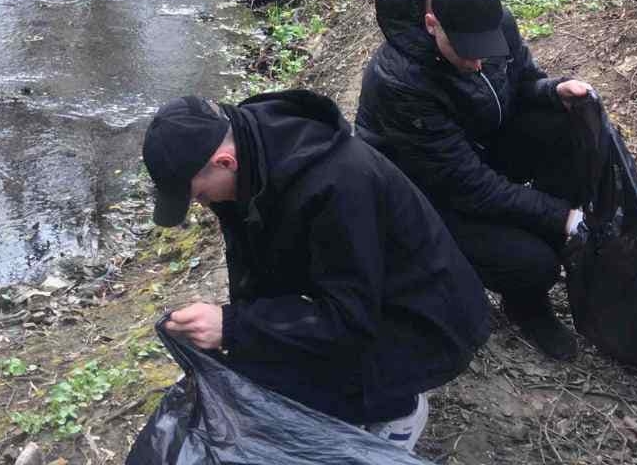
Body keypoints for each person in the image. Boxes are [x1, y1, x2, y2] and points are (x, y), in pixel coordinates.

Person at [142, 89, 490, 449]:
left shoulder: (338, 184)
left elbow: (349, 320)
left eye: (200, 196)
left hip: (426, 319)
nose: (203, 205)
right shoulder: (250, 154)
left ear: (224, 162)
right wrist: (238, 332)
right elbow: (252, 263)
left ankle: (398, 411)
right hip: (364, 295)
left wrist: (233, 325)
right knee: (260, 368)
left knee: (304, 375)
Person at [354, 0, 598, 361]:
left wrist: (554, 91)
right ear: (432, 24)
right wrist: (560, 216)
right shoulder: (399, 81)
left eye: (484, 51)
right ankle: (526, 300)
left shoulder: (495, 23)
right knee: (533, 264)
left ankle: (554, 242)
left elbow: (522, 82)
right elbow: (468, 186)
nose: (477, 64)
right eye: (465, 54)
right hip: (423, 192)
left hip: (478, 146)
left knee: (565, 123)